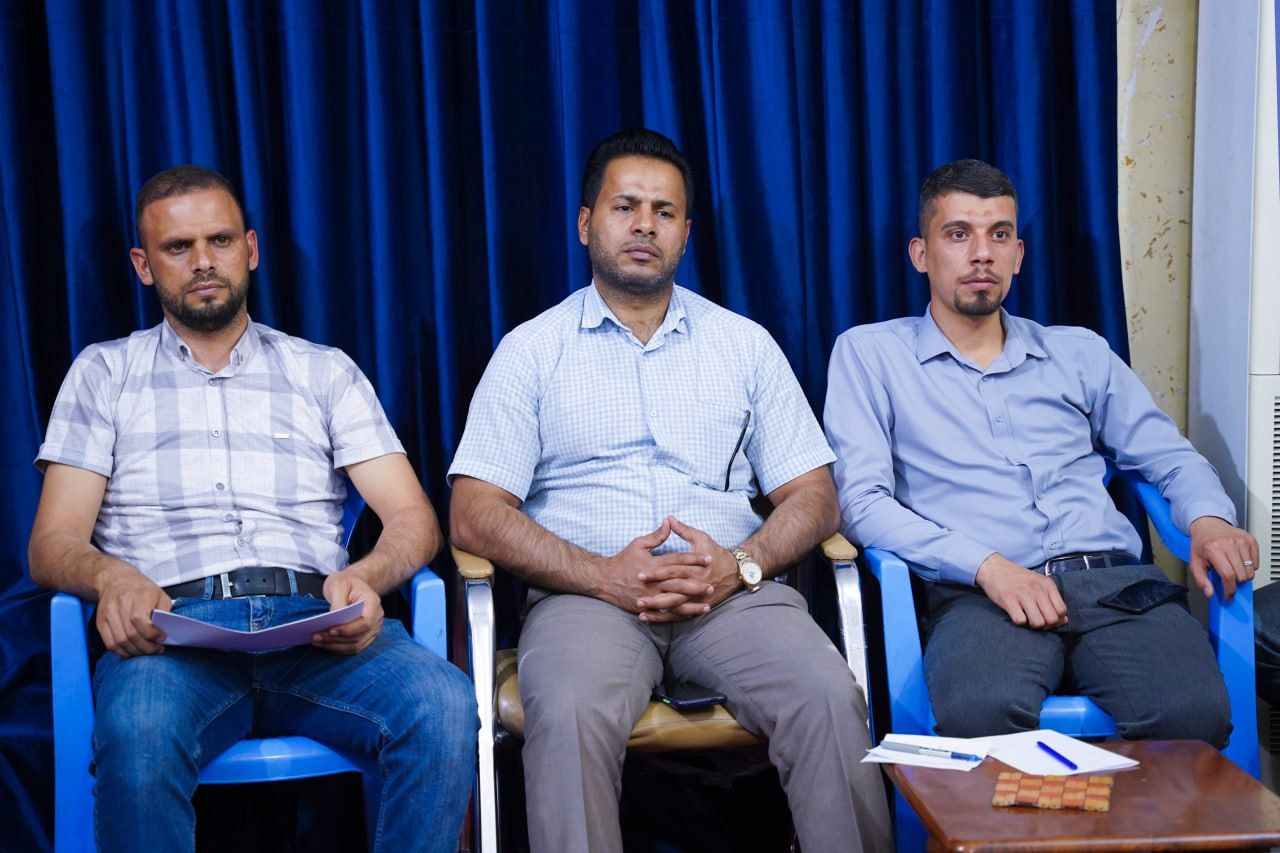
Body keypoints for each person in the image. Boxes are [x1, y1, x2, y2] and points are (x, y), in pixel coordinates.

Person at [448, 129, 891, 853]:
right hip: (586, 600)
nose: (645, 225)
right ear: (587, 223)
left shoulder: (744, 345)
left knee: (826, 693)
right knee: (569, 709)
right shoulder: (531, 351)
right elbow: (472, 513)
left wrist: (740, 564)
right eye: (625, 206)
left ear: (686, 232)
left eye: (664, 211)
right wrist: (602, 575)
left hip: (733, 597)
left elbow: (815, 494)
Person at [27, 165, 476, 853]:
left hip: (318, 632)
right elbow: (52, 541)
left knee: (443, 704)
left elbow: (414, 518)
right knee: (137, 734)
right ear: (144, 266)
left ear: (251, 249)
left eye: (220, 240)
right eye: (178, 247)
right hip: (172, 638)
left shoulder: (323, 370)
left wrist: (368, 577)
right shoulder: (103, 373)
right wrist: (111, 578)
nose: (204, 261)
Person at [824, 158, 1259, 744]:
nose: (982, 254)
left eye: (999, 235)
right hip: (982, 594)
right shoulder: (871, 355)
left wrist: (1209, 520)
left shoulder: (1079, 352)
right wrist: (987, 566)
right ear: (921, 254)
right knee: (978, 714)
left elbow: (1168, 458)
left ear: (1019, 254)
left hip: (1114, 586)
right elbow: (861, 502)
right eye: (959, 234)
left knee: (1193, 715)